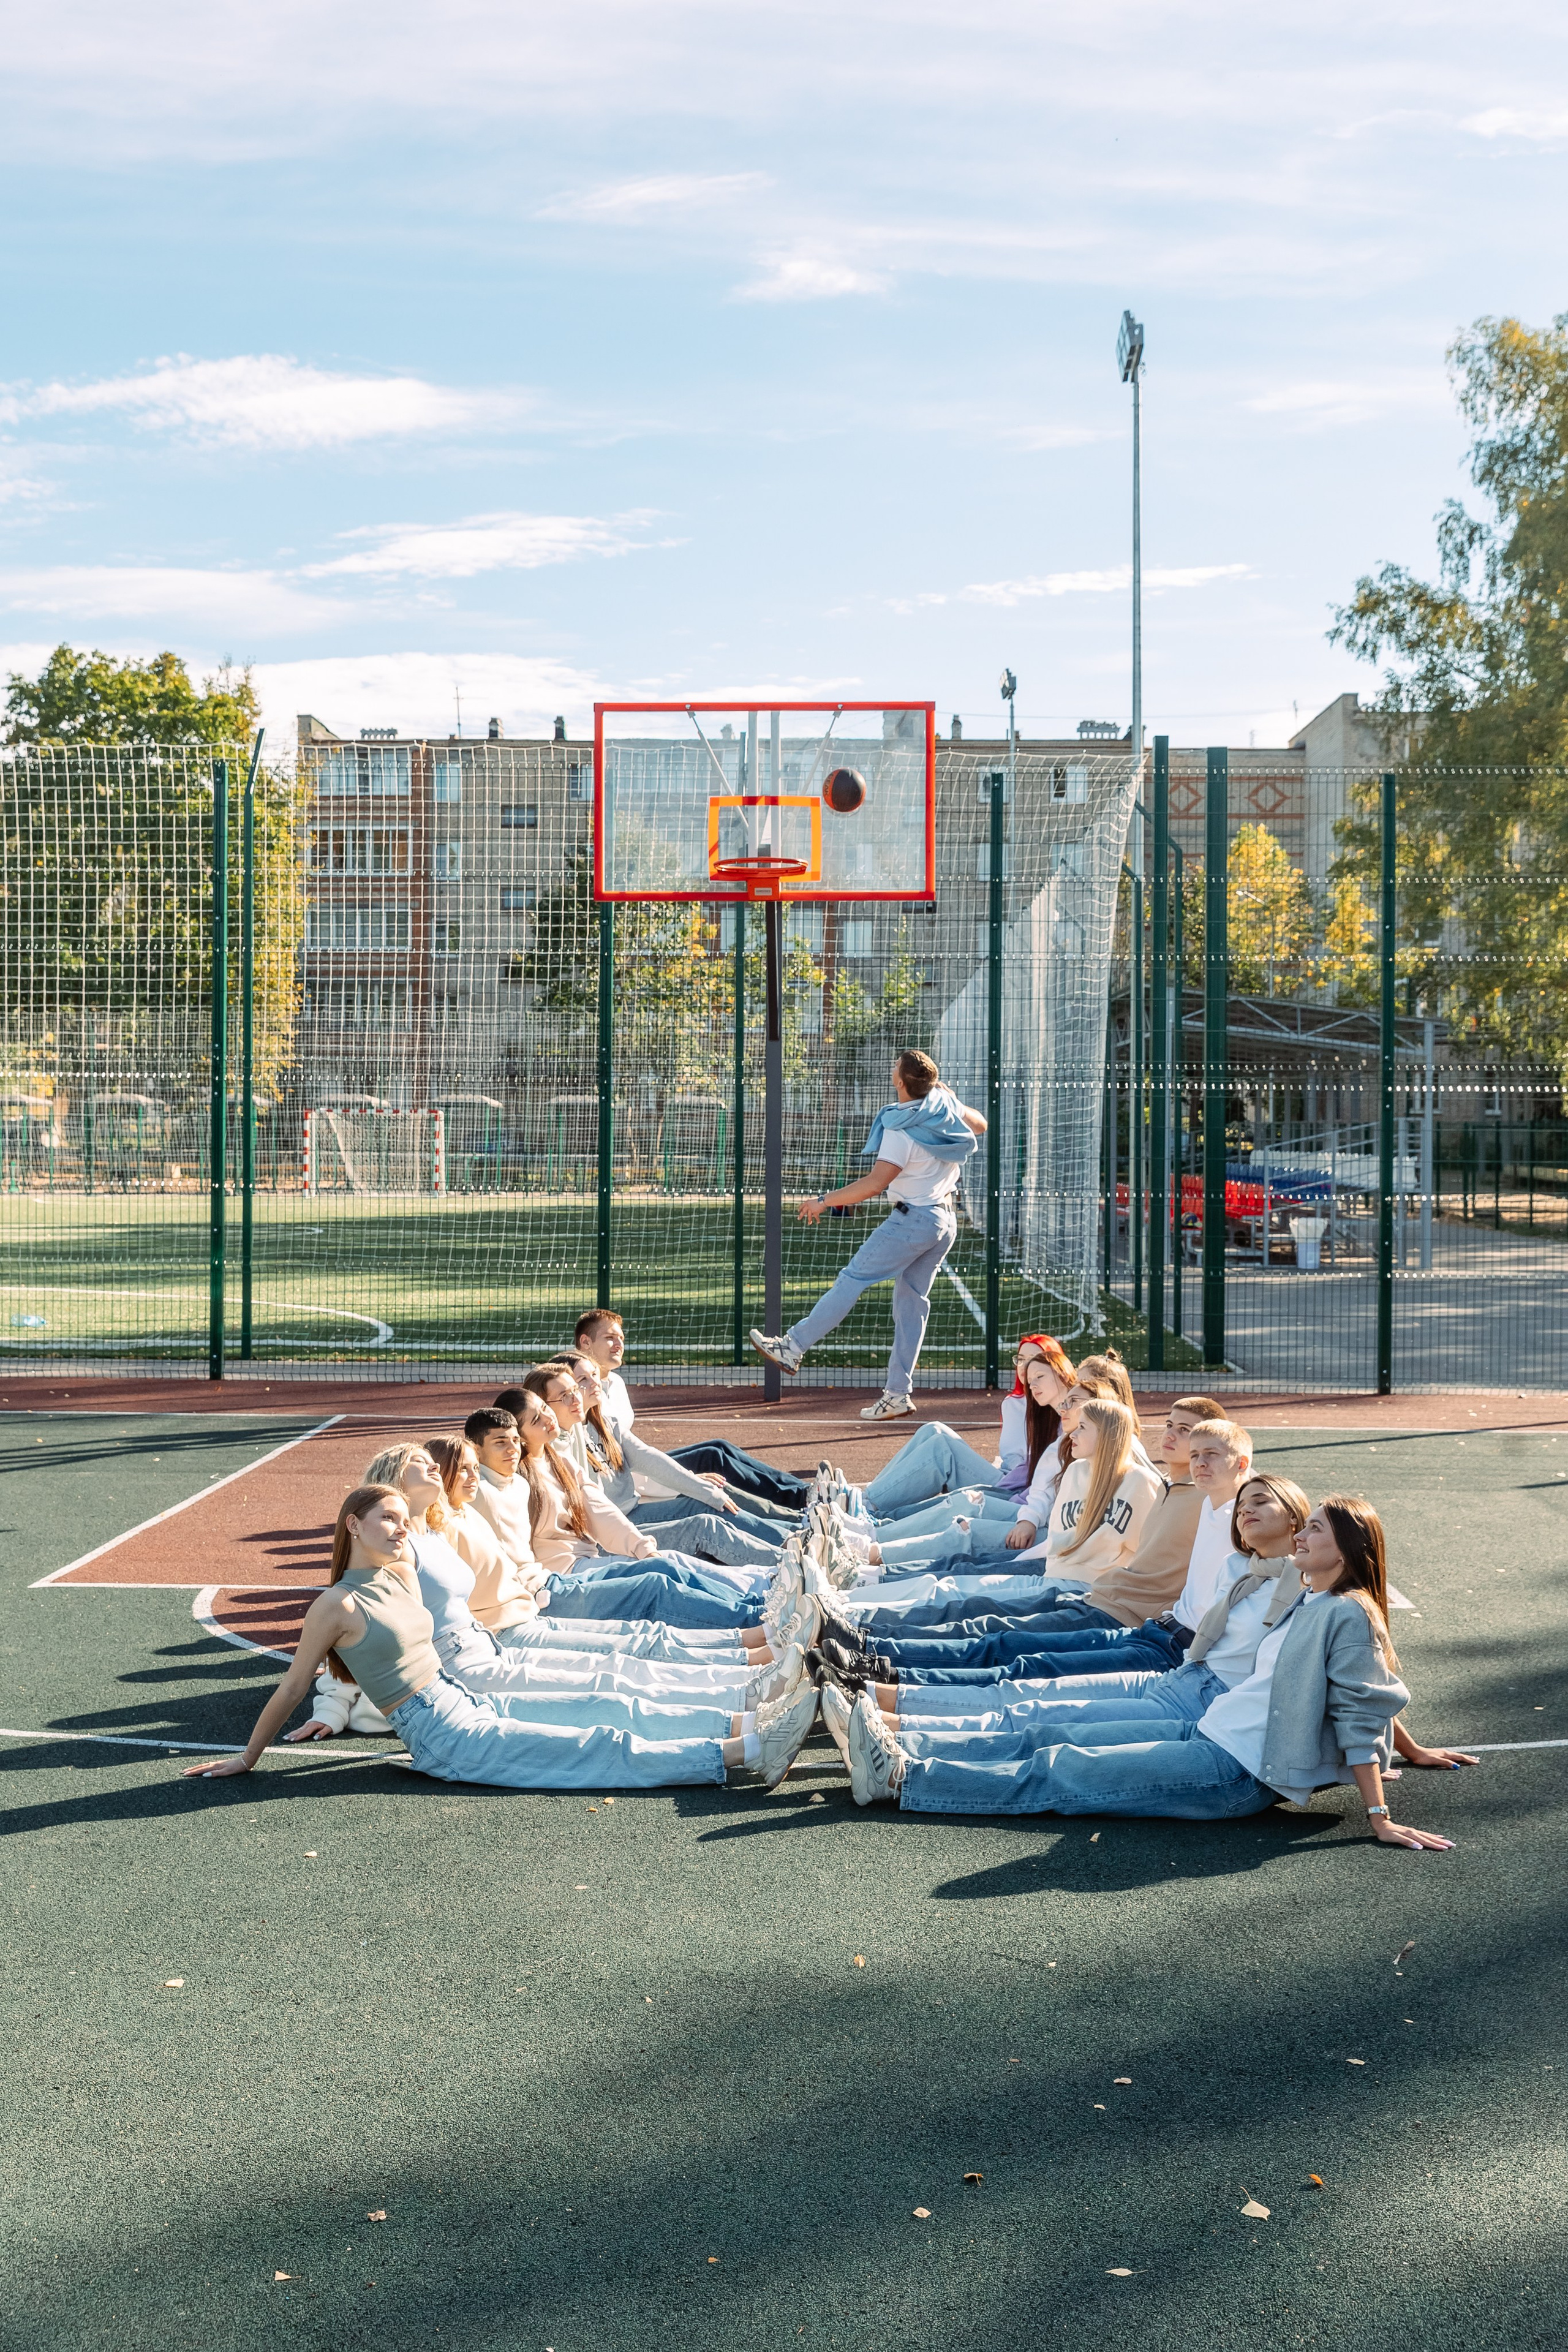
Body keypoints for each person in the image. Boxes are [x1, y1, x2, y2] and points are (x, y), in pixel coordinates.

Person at [839, 1494, 1460, 1849]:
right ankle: (902, 1743)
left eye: (1315, 1528)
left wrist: (1379, 1817)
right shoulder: (1314, 1598)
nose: (1301, 1535)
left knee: (1065, 1769)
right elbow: (1366, 1687)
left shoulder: (1347, 1613)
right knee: (1057, 1733)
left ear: (1350, 1548)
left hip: (1237, 1769)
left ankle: (903, 1777)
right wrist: (1407, 1749)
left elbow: (1359, 1706)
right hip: (1208, 1728)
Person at [187, 1484, 817, 1793]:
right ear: (353, 1525)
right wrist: (248, 1757)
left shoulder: (402, 1572)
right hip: (442, 1735)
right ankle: (747, 1753)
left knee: (611, 1702)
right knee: (599, 1746)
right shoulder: (336, 1604)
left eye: (405, 1520)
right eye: (388, 1519)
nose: (402, 1529)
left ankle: (755, 1715)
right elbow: (295, 1685)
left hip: (467, 1694)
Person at [749, 1048, 987, 1422]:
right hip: (944, 1221)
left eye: (895, 1067)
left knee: (852, 1279)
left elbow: (876, 1184)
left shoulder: (901, 1127)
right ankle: (897, 1395)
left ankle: (792, 1346)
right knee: (911, 1306)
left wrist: (823, 1201)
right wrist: (951, 1098)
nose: (892, 1069)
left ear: (901, 1082)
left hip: (914, 1220)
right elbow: (981, 1125)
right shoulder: (944, 1109)